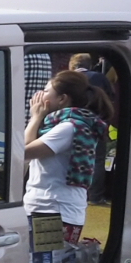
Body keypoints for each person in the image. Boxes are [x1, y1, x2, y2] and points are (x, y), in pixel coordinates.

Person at [25, 68, 114, 244]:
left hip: (51, 211)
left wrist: (35, 117)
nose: (40, 95)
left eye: (46, 91)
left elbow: (24, 151)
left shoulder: (67, 128)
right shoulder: (72, 125)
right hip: (54, 210)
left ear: (62, 99)